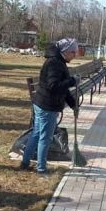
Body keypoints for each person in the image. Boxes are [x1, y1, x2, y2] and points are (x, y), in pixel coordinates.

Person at [20, 37, 79, 175]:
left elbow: (62, 89)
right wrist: (72, 81)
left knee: (37, 134)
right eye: (73, 52)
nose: (75, 55)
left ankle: (25, 162)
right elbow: (54, 86)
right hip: (47, 106)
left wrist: (73, 105)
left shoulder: (59, 61)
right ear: (65, 51)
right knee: (44, 138)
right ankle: (41, 169)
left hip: (43, 103)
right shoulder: (54, 63)